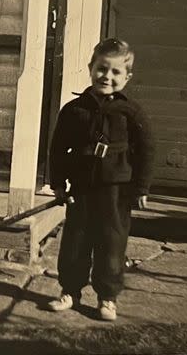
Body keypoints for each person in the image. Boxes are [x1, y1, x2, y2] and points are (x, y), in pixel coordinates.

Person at [47, 38, 155, 321]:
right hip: (81, 189)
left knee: (111, 244)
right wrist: (58, 183)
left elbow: (147, 150)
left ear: (127, 77)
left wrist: (141, 187)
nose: (107, 76)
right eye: (101, 69)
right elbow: (58, 148)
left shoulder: (131, 112)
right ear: (90, 68)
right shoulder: (74, 110)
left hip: (116, 191)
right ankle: (70, 291)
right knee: (75, 241)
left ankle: (107, 298)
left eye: (116, 72)